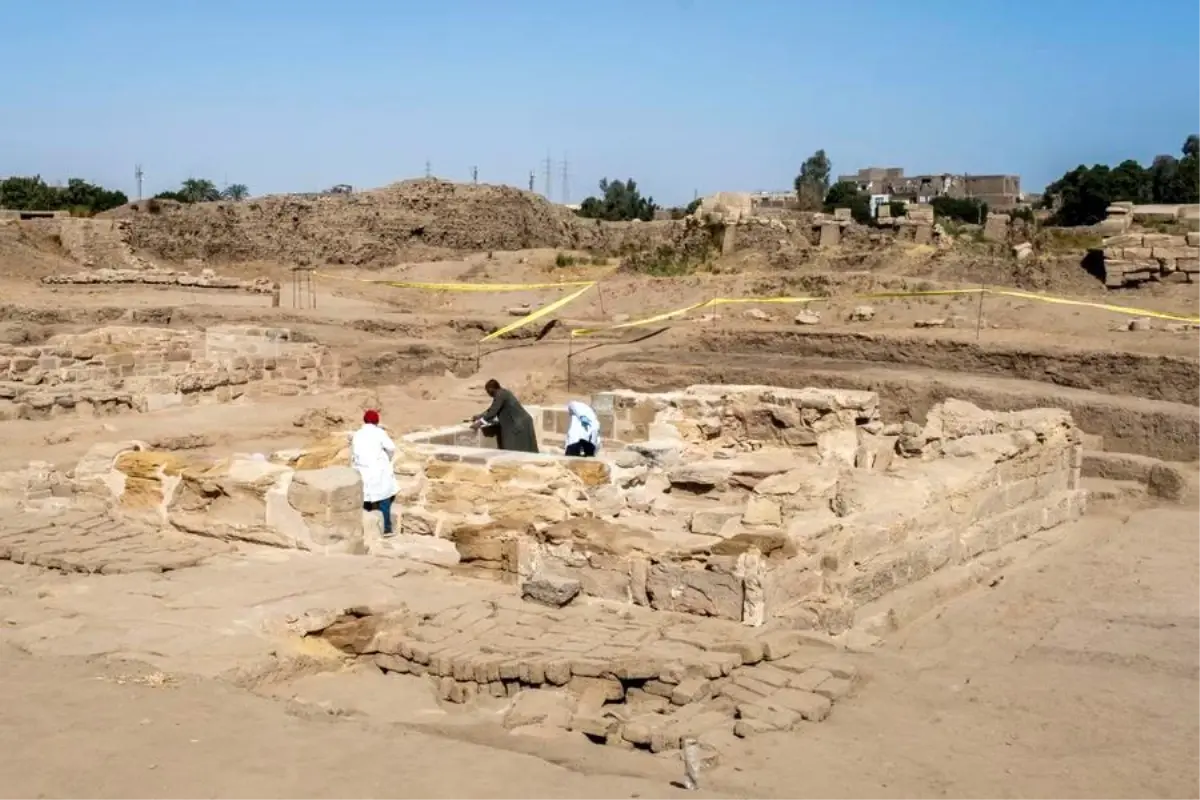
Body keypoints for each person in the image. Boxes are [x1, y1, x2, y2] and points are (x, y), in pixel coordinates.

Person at [351, 409, 399, 537]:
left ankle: (363, 528)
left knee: (364, 500)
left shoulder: (357, 434)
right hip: (377, 471)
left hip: (362, 470)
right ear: (376, 421)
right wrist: (387, 458)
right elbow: (391, 448)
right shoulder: (379, 433)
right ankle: (386, 528)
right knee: (384, 498)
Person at [471, 379, 539, 453]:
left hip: (519, 424)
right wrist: (480, 416)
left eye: (487, 391)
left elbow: (492, 413)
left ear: (491, 389)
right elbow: (492, 408)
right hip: (522, 422)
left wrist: (479, 423)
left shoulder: (500, 395)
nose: (488, 393)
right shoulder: (502, 393)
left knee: (517, 450)